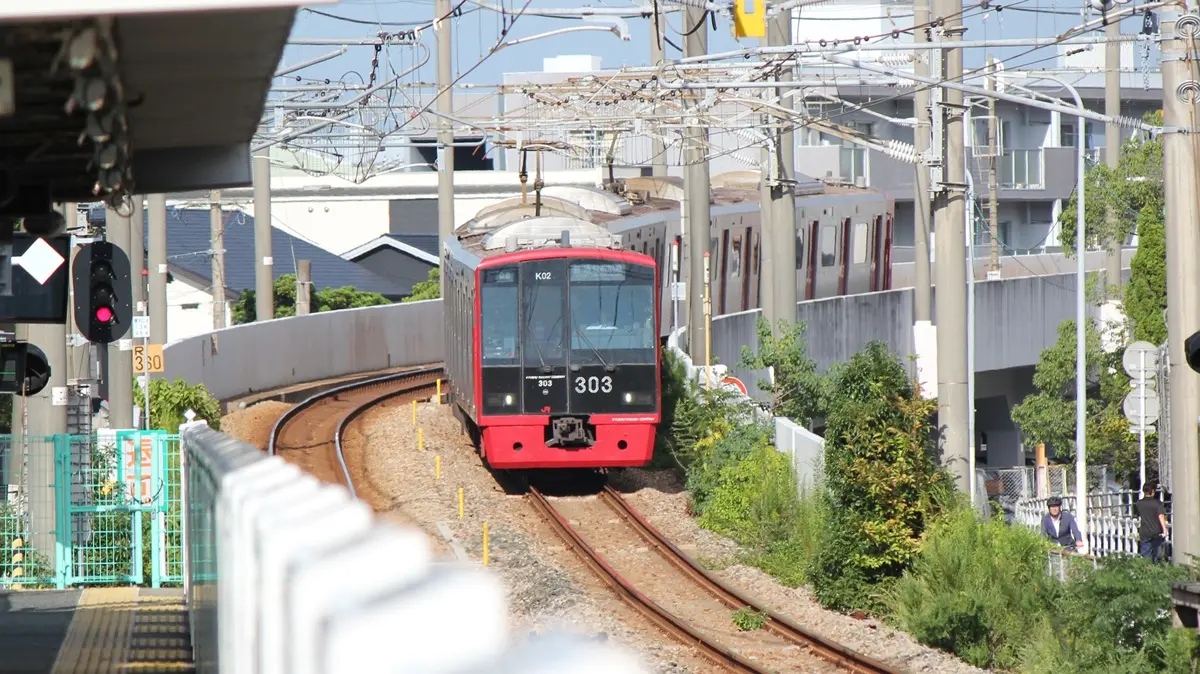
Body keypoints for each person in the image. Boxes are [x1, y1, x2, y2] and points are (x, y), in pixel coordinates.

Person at [1134, 482, 1169, 563]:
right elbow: (1161, 517)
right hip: (1156, 532)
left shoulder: (1139, 503)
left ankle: (1146, 571)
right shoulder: (1157, 503)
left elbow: (1138, 515)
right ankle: (1156, 572)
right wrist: (1164, 530)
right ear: (1153, 491)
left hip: (1144, 532)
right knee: (1157, 555)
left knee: (1146, 555)